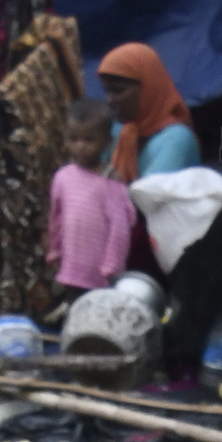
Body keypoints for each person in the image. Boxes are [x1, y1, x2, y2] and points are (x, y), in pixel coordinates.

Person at [48, 96, 133, 295]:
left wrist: (111, 268)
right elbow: (56, 218)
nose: (81, 146)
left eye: (89, 139)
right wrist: (55, 251)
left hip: (99, 276)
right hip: (69, 269)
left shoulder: (111, 183)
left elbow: (120, 230)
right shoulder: (62, 177)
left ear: (107, 142)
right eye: (74, 139)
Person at [96, 44, 199, 180]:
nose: (109, 100)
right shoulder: (120, 130)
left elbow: (147, 197)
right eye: (107, 91)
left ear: (148, 89)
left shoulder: (176, 139)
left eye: (118, 91)